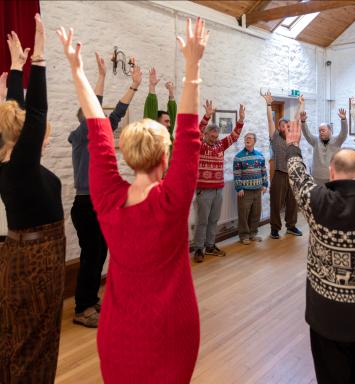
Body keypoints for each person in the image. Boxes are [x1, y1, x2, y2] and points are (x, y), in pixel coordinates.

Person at [58, 17, 207, 383]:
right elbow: (189, 132)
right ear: (165, 158)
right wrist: (192, 65)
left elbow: (98, 131)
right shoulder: (171, 203)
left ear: (126, 155)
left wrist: (77, 73)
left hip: (117, 335)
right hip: (172, 333)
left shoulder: (107, 199)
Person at [287, 120, 355, 384]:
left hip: (327, 317)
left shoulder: (317, 201)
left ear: (331, 172)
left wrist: (292, 146)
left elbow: (297, 175)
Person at [0, 15, 66, 383]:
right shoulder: (21, 165)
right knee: (35, 342)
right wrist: (37, 60)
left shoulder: (5, 157)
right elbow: (35, 116)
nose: (44, 137)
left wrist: (13, 70)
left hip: (20, 257)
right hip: (37, 263)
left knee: (15, 337)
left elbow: (16, 118)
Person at [68, 52, 142, 327]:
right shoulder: (81, 134)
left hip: (98, 203)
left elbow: (118, 112)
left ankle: (89, 299)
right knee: (91, 255)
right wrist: (99, 77)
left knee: (100, 253)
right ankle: (82, 308)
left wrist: (134, 87)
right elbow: (95, 111)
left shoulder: (97, 133)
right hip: (86, 204)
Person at [191, 103, 245, 262]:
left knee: (214, 220)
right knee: (202, 222)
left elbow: (234, 135)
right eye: (212, 136)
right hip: (204, 190)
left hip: (218, 189)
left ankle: (209, 245)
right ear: (206, 135)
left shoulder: (221, 145)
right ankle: (198, 249)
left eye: (216, 136)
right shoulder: (200, 145)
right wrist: (207, 115)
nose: (215, 139)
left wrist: (241, 120)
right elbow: (197, 132)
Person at [262, 90, 302, 239]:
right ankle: (274, 229)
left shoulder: (294, 137)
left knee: (293, 203)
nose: (281, 127)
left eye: (284, 125)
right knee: (276, 204)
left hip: (293, 175)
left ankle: (291, 226)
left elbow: (297, 121)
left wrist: (301, 104)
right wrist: (268, 104)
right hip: (279, 173)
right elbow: (270, 121)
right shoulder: (275, 138)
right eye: (280, 125)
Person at [300, 96, 348, 185]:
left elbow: (344, 133)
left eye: (323, 130)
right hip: (317, 176)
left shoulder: (337, 140)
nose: (321, 132)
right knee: (319, 197)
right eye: (319, 131)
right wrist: (303, 122)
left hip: (332, 176)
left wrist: (343, 120)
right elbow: (307, 134)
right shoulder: (315, 140)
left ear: (330, 130)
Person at [233, 133, 268, 244]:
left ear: (254, 141)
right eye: (246, 138)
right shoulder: (239, 157)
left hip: (258, 189)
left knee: (256, 213)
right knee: (244, 213)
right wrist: (239, 188)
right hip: (245, 190)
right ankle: (244, 236)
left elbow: (263, 171)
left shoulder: (260, 156)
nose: (247, 140)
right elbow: (237, 173)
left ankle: (253, 233)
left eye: (250, 138)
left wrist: (265, 184)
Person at [143, 67, 177, 150]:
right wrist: (152, 87)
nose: (170, 124)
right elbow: (150, 111)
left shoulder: (168, 136)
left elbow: (172, 114)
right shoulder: (151, 137)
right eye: (166, 121)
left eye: (169, 122)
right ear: (156, 122)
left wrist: (171, 92)